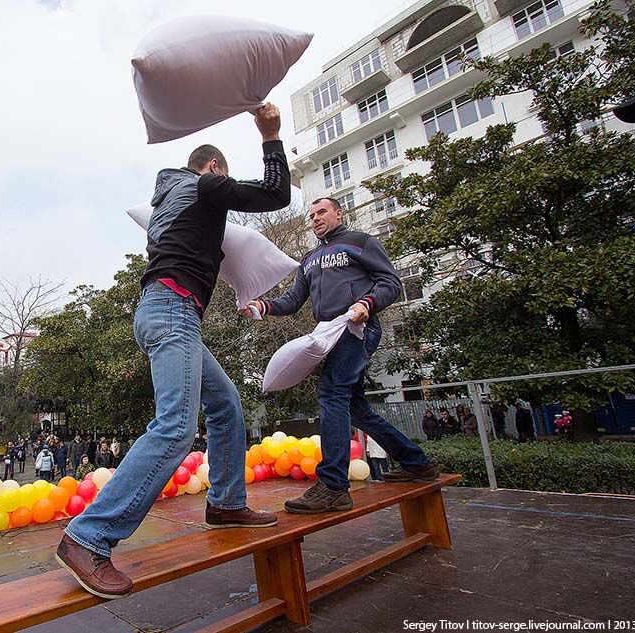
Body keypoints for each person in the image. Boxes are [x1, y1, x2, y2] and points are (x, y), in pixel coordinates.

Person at [57, 104, 288, 599]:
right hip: (174, 311)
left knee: (225, 403)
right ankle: (87, 537)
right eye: (222, 178)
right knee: (176, 426)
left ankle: (226, 503)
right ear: (214, 169)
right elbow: (275, 193)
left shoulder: (167, 201)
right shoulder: (205, 185)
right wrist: (270, 136)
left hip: (164, 311)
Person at [244, 196, 438, 515]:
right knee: (355, 407)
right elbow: (293, 300)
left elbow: (390, 282)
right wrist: (261, 305)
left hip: (356, 326)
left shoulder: (361, 242)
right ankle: (416, 463)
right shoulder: (309, 258)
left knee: (331, 392)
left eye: (322, 212)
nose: (316, 218)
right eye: (312, 215)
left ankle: (333, 487)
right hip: (328, 332)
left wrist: (367, 304)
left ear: (339, 213)